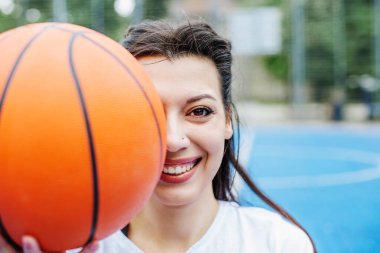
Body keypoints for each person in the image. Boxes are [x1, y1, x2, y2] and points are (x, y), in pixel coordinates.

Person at [0, 20, 316, 253]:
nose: (173, 139)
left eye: (200, 111)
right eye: (147, 112)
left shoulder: (277, 243)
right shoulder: (62, 249)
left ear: (227, 120)